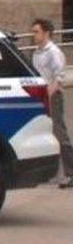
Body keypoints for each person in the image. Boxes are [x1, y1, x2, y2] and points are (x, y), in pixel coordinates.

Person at [30, 18, 73, 188]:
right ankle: (49, 173)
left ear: (46, 33)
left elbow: (59, 77)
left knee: (59, 133)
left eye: (36, 32)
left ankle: (71, 172)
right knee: (43, 133)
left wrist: (47, 94)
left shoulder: (53, 52)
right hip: (40, 96)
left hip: (52, 96)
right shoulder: (36, 52)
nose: (34, 35)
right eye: (33, 32)